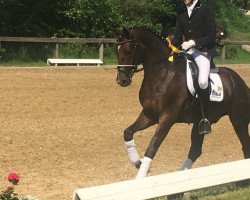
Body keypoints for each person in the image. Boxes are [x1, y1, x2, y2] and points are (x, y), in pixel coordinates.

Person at [171, 0, 217, 134]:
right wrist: (169, 43)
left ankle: (205, 118)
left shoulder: (205, 10)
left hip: (202, 52)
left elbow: (211, 35)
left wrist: (194, 42)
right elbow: (177, 38)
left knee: (202, 81)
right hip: (187, 52)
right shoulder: (181, 15)